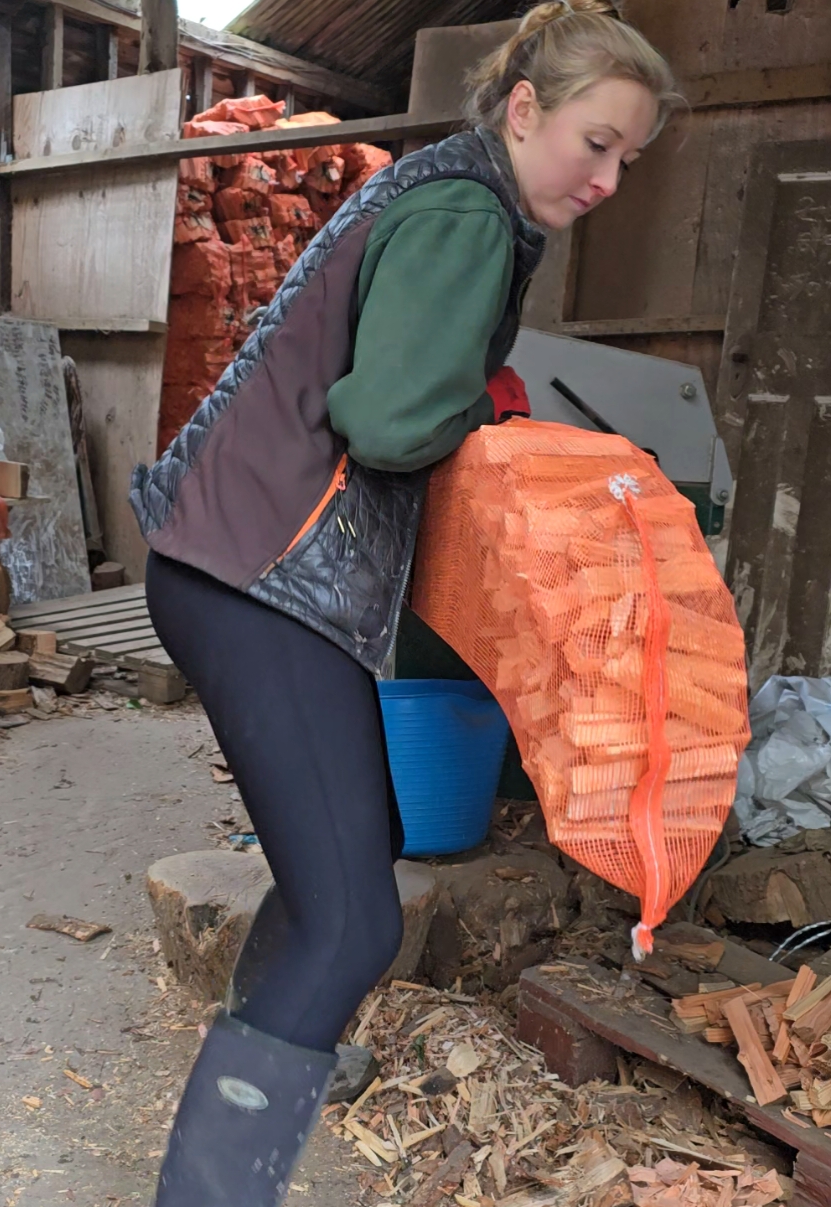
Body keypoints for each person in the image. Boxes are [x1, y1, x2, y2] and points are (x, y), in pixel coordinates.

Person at [130, 2, 680, 1203]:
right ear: (524, 109)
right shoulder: (466, 211)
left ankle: (281, 1041)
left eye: (628, 159)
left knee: (351, 852)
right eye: (594, 142)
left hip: (232, 556)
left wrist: (475, 387)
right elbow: (386, 421)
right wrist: (495, 419)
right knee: (353, 925)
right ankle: (215, 1181)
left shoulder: (445, 189)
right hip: (261, 577)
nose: (607, 179)